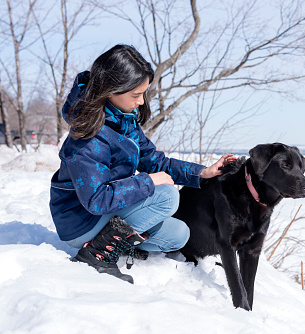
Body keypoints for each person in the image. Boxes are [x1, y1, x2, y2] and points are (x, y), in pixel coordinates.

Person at [49, 44, 236, 284]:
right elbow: (96, 200)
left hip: (107, 210)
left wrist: (202, 172)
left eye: (143, 94)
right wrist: (147, 181)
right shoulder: (88, 136)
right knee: (167, 196)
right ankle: (97, 255)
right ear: (110, 90)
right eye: (136, 95)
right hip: (80, 221)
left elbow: (154, 160)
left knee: (179, 235)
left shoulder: (122, 120)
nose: (141, 102)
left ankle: (120, 243)